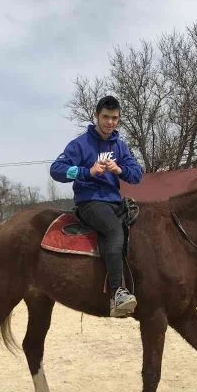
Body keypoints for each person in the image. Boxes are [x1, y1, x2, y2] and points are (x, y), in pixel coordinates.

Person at [50, 95, 143, 318]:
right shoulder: (80, 145)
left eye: (114, 118)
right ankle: (116, 293)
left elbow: (137, 175)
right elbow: (56, 169)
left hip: (114, 201)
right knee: (112, 229)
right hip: (90, 202)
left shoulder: (120, 147)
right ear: (96, 116)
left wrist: (119, 170)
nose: (110, 122)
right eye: (106, 117)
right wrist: (86, 172)